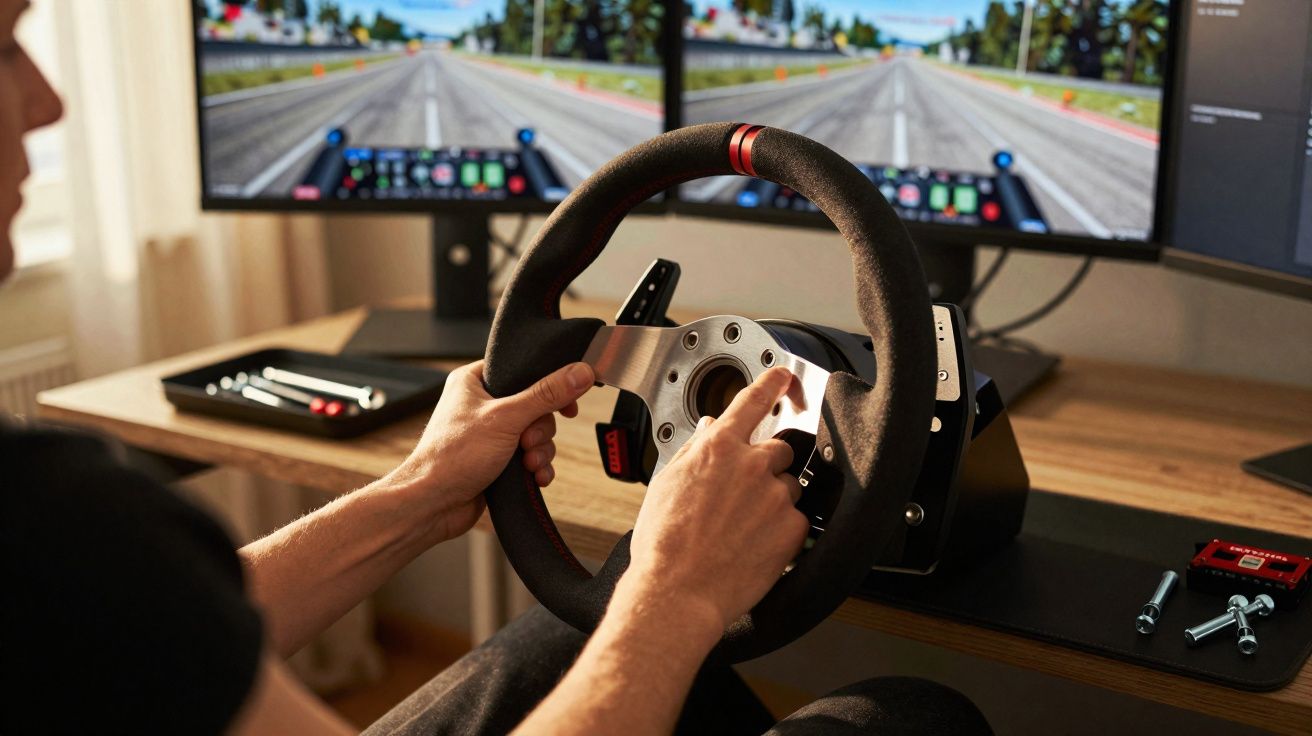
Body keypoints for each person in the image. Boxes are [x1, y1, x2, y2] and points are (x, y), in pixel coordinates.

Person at [0, 2, 992, 733]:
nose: (48, 102)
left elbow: (146, 637)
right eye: (7, 44)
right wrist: (678, 589)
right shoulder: (48, 514)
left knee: (579, 636)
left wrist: (425, 492)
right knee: (913, 713)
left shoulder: (56, 540)